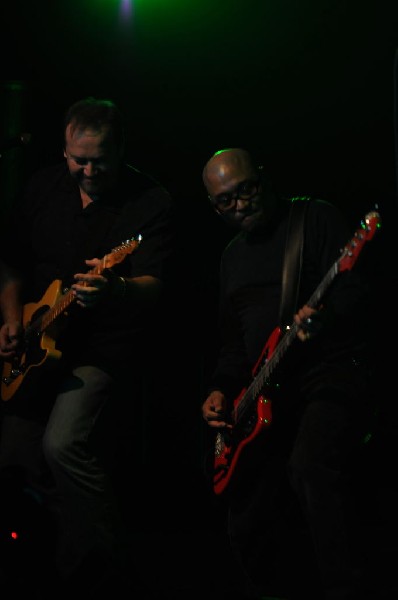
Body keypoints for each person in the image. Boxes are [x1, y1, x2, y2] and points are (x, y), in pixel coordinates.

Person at [0, 97, 176, 597]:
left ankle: (109, 576)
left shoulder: (150, 201)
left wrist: (115, 289)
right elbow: (11, 261)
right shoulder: (42, 188)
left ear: (120, 150)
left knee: (63, 444)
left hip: (103, 348)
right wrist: (12, 320)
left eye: (100, 159)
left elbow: (156, 285)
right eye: (79, 158)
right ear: (63, 149)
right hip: (35, 347)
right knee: (14, 460)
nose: (89, 169)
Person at [200, 148, 377, 600]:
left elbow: (358, 292)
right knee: (247, 508)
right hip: (266, 394)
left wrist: (325, 319)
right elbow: (233, 345)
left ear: (264, 176)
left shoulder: (313, 219)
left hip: (328, 373)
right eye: (226, 201)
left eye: (247, 189)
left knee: (310, 465)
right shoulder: (231, 257)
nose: (240, 204)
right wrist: (220, 390)